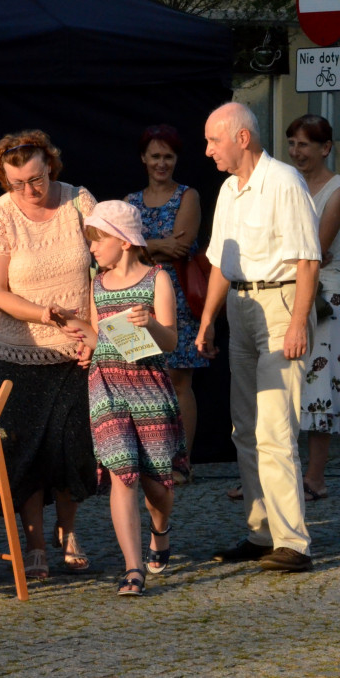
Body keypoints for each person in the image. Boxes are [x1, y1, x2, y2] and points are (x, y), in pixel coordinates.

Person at [199, 102, 319, 572]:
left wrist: (297, 323)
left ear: (241, 138)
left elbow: (307, 259)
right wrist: (208, 319)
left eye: (214, 140)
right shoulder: (230, 189)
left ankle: (294, 542)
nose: (208, 150)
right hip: (241, 307)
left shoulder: (284, 182)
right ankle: (263, 531)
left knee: (274, 428)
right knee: (244, 427)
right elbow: (219, 262)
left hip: (281, 304)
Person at [0, 129, 97, 579]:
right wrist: (46, 314)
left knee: (72, 447)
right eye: (17, 183)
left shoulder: (79, 201)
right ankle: (35, 543)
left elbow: (103, 269)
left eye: (36, 179)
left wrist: (94, 335)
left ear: (51, 166)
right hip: (19, 349)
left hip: (75, 350)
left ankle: (68, 535)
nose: (29, 190)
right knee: (24, 450)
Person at [45, 201, 182, 596]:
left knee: (157, 484)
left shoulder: (157, 279)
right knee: (123, 474)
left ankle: (160, 529)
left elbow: (170, 341)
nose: (92, 248)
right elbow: (97, 335)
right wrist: (70, 325)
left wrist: (151, 322)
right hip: (106, 385)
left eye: (97, 238)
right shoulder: (98, 284)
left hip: (149, 385)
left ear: (123, 241)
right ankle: (132, 569)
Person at [125, 124, 204, 485]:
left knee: (179, 379)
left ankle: (181, 461)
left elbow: (182, 247)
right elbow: (128, 247)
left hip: (179, 295)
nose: (161, 163)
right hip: (140, 295)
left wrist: (145, 244)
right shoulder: (130, 201)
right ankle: (150, 458)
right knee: (145, 378)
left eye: (168, 156)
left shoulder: (188, 196)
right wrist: (158, 245)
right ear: (143, 158)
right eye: (155, 155)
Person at [290, 114, 340, 503]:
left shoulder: (337, 189)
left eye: (304, 144)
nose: (296, 151)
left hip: (326, 295)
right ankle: (278, 478)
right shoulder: (289, 185)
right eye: (292, 144)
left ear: (326, 148)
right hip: (290, 287)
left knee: (318, 382)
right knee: (286, 383)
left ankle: (315, 476)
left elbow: (318, 250)